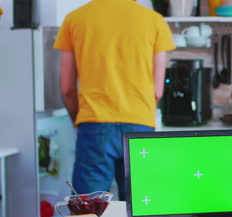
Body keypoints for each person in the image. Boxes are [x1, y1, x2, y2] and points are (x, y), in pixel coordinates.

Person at [54, 0, 175, 200]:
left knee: (87, 211)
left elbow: (67, 88)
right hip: (139, 126)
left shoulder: (75, 19)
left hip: (94, 125)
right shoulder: (154, 21)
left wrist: (79, 119)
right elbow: (157, 91)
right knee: (140, 209)